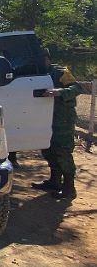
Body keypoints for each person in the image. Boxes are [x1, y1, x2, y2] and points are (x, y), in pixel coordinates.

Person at [31, 49, 83, 200]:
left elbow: (76, 88)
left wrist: (60, 91)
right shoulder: (38, 74)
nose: (39, 63)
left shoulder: (60, 71)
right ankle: (55, 182)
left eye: (41, 59)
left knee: (63, 153)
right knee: (48, 150)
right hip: (46, 118)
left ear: (47, 58)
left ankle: (69, 188)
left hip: (63, 120)